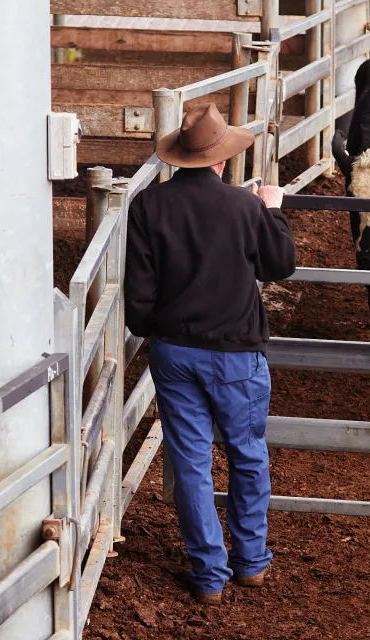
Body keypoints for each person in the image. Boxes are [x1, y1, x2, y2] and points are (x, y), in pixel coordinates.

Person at [124, 103, 296, 605]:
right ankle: (251, 562)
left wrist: (160, 329)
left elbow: (138, 303)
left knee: (191, 461)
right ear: (221, 160)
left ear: (179, 159)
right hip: (237, 354)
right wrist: (272, 208)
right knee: (246, 455)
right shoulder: (244, 209)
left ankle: (208, 575)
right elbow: (280, 265)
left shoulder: (148, 208)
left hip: (176, 353)